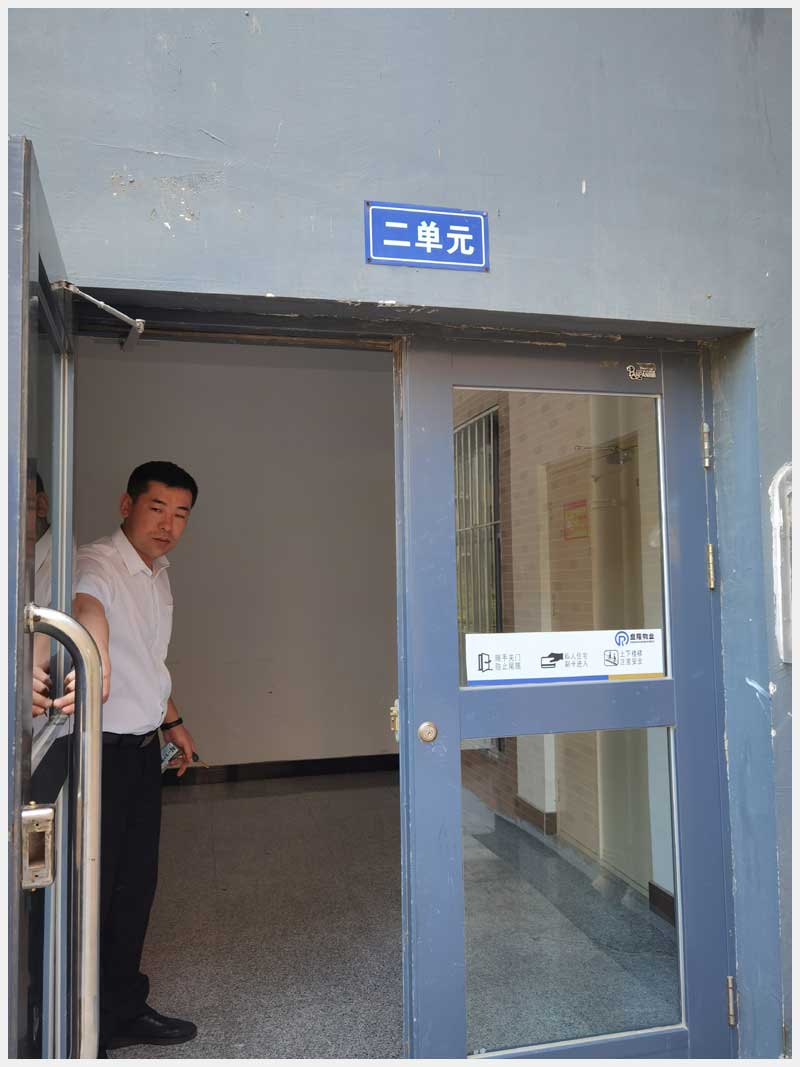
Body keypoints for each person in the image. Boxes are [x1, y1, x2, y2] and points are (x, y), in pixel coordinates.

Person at [67, 460, 200, 1055]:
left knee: (135, 886)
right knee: (95, 889)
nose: (168, 525)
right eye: (156, 509)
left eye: (181, 515)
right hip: (100, 754)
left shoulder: (158, 573)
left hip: (143, 751)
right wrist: (93, 654)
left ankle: (121, 1009)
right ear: (127, 506)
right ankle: (79, 1022)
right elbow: (88, 609)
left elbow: (147, 658)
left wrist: (172, 720)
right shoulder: (96, 562)